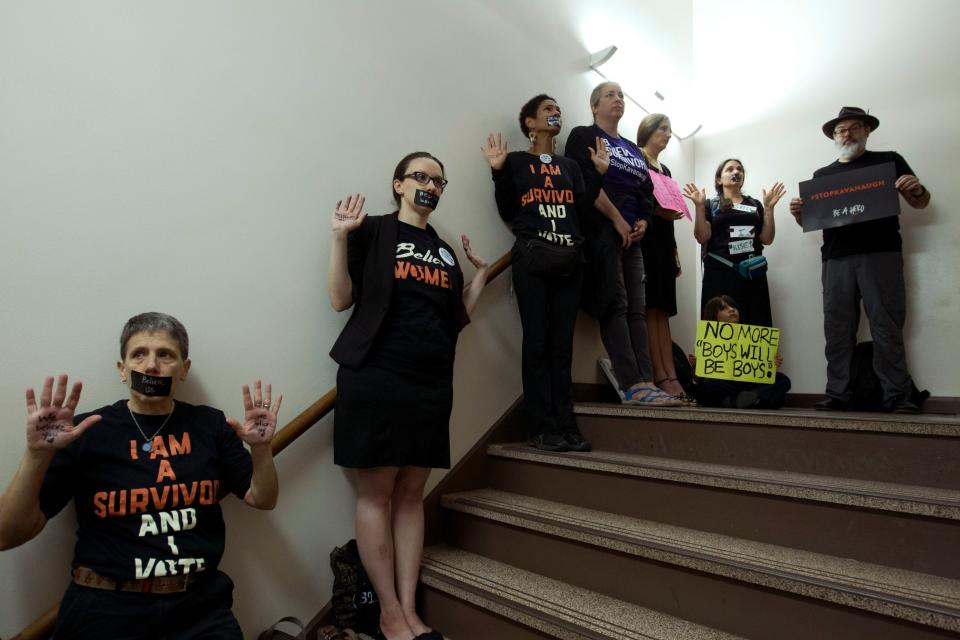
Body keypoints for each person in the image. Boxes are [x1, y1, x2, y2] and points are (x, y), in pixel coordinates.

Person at [0, 312, 281, 639]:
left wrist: (261, 449)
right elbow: (7, 535)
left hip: (199, 608)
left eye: (165, 355)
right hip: (105, 607)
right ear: (123, 370)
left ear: (184, 369)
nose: (151, 366)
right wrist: (37, 455)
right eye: (139, 354)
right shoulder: (84, 431)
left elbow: (263, 498)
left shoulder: (212, 425)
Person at [327, 151, 488, 640]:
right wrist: (338, 238)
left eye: (439, 181)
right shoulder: (372, 231)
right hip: (377, 374)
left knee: (413, 494)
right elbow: (340, 298)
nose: (431, 186)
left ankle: (411, 612)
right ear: (398, 184)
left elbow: (453, 317)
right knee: (377, 494)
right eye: (421, 176)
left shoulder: (442, 251)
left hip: (431, 380)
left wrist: (478, 277)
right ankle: (390, 614)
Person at [482, 94, 609, 452]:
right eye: (548, 109)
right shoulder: (517, 162)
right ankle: (541, 426)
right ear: (530, 122)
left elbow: (582, 213)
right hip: (533, 259)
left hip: (570, 260)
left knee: (562, 347)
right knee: (537, 343)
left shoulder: (570, 166)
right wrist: (497, 171)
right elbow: (508, 208)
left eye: (558, 109)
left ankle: (566, 424)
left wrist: (598, 176)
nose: (556, 113)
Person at [788, 107, 931, 414]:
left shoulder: (888, 160)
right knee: (837, 329)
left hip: (881, 254)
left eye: (854, 128)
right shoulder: (821, 177)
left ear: (867, 130)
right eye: (841, 130)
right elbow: (812, 223)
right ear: (834, 136)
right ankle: (839, 394)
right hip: (836, 258)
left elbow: (920, 202)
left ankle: (898, 394)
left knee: (886, 325)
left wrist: (916, 188)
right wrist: (801, 215)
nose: (847, 134)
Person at [564, 81, 679, 406]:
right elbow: (583, 183)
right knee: (614, 304)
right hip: (602, 233)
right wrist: (616, 219)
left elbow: (645, 191)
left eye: (621, 95)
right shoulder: (583, 136)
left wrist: (643, 220)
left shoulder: (630, 148)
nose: (617, 99)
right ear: (595, 106)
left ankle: (647, 380)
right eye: (610, 95)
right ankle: (632, 384)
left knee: (637, 310)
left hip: (634, 237)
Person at [684, 159, 785, 326]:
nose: (736, 172)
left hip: (752, 273)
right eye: (729, 169)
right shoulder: (711, 204)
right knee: (720, 328)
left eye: (739, 169)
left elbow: (767, 239)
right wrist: (699, 207)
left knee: (756, 323)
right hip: (720, 274)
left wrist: (769, 209)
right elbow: (702, 237)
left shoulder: (755, 204)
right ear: (719, 179)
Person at [637, 113, 690, 401]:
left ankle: (671, 373)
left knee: (663, 310)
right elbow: (638, 202)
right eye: (663, 129)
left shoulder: (666, 169)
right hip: (646, 241)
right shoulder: (637, 159)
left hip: (664, 243)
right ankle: (657, 374)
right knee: (650, 307)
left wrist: (675, 251)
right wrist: (658, 213)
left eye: (670, 129)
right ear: (648, 130)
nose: (668, 134)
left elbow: (671, 213)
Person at [691, 295, 791, 409]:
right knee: (709, 385)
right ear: (713, 316)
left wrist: (771, 365)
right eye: (724, 308)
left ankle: (739, 400)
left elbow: (761, 371)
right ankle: (757, 400)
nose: (731, 309)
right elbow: (697, 379)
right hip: (724, 385)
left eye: (733, 306)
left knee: (783, 380)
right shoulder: (705, 339)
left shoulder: (752, 336)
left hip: (748, 385)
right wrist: (696, 364)